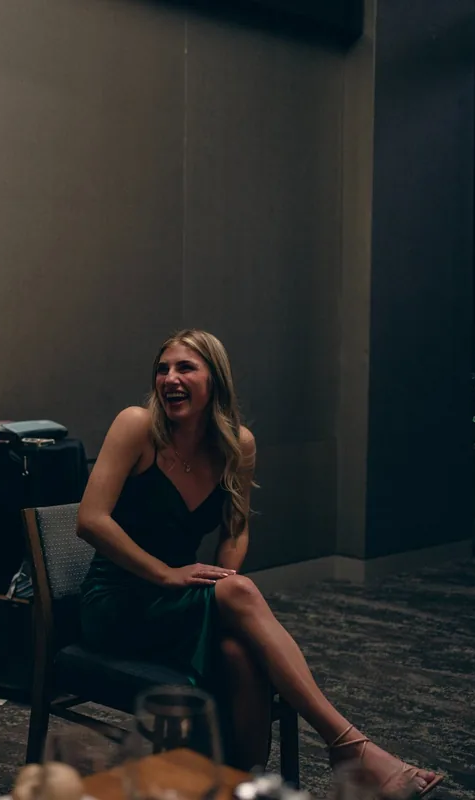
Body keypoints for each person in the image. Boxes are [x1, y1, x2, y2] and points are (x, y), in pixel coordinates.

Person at [77, 329, 444, 798]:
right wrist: (168, 574)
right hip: (117, 600)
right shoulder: (136, 426)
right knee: (239, 597)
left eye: (185, 367)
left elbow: (236, 528)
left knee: (241, 655)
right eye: (163, 369)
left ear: (215, 380)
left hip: (179, 599)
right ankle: (348, 744)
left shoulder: (237, 445)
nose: (170, 378)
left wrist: (223, 583)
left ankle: (243, 784)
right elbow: (89, 520)